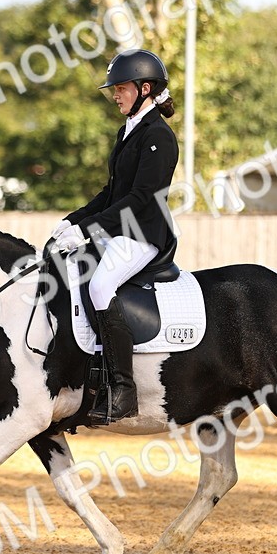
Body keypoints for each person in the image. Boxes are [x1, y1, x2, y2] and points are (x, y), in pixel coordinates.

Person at [50, 48, 179, 422]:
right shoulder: (128, 130)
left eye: (121, 88)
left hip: (144, 233)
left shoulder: (158, 136)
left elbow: (140, 198)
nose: (115, 95)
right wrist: (73, 221)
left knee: (101, 285)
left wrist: (88, 230)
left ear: (144, 88)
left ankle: (124, 389)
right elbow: (111, 192)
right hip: (120, 230)